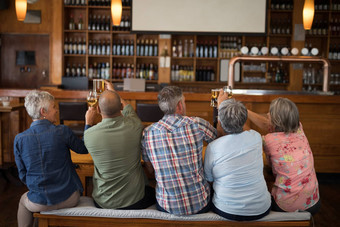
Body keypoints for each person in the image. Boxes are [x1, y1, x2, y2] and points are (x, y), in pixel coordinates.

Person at [14, 90, 89, 227]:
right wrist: (88, 124)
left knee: (23, 201)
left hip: (38, 202)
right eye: (54, 107)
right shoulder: (62, 131)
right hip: (69, 198)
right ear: (43, 111)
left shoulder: (19, 139)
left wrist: (39, 187)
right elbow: (84, 149)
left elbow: (23, 175)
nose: (56, 110)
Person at [142, 86, 218, 215]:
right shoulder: (197, 124)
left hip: (166, 205)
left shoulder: (147, 133)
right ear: (179, 105)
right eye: (184, 101)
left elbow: (150, 169)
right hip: (200, 203)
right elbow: (220, 141)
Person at [84, 81, 155, 209]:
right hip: (135, 200)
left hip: (103, 202)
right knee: (152, 192)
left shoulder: (89, 134)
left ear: (98, 109)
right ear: (120, 108)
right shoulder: (135, 125)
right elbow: (129, 110)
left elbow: (86, 139)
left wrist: (88, 122)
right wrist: (115, 92)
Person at [247, 97, 320, 215]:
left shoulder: (268, 140)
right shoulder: (299, 129)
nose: (267, 114)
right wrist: (245, 111)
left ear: (276, 120)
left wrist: (240, 113)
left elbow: (249, 136)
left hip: (285, 205)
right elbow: (268, 124)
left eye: (270, 113)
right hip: (313, 201)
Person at [204, 96, 271, 221]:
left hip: (226, 210)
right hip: (260, 209)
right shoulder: (255, 137)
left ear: (220, 122)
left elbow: (209, 179)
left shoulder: (213, 147)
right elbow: (243, 131)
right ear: (244, 120)